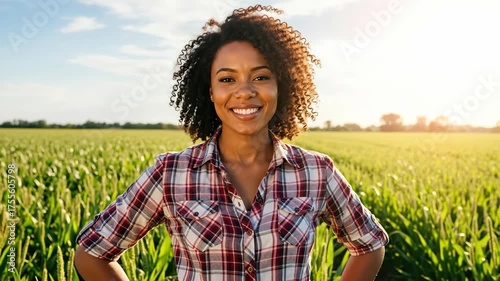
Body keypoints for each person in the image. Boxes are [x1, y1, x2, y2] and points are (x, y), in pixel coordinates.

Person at [74, 5, 389, 281]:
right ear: (210, 91)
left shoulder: (316, 171)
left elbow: (369, 245)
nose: (245, 91)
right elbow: (92, 254)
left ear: (282, 86)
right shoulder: (171, 172)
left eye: (261, 77)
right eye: (227, 79)